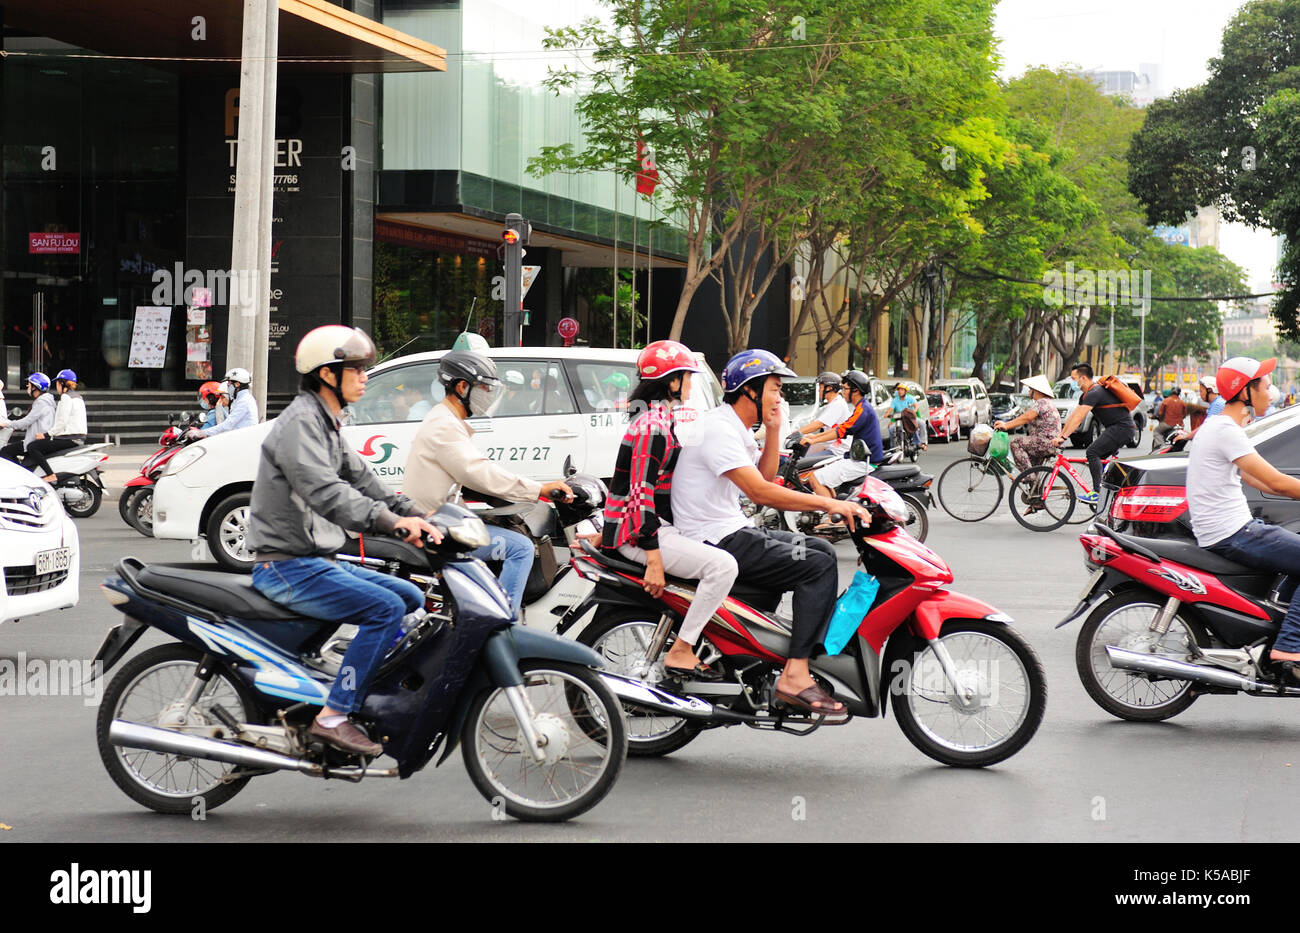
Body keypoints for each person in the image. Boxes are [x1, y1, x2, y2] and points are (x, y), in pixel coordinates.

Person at [246, 326, 438, 757]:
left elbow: (364, 479)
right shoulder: (299, 424)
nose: (365, 376)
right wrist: (391, 523)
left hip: (316, 559)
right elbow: (327, 493)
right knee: (384, 608)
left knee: (409, 595)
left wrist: (416, 512)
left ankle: (363, 679)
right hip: (287, 565)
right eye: (356, 368)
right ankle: (333, 716)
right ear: (327, 375)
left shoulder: (326, 422)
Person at [670, 349, 871, 715]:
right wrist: (830, 504)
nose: (780, 397)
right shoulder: (718, 428)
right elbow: (760, 492)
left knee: (820, 551)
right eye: (775, 389)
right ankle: (795, 674)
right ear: (750, 390)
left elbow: (763, 474)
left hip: (731, 529)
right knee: (817, 564)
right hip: (716, 539)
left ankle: (760, 653)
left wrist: (776, 429)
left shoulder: (734, 426)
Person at [601, 340, 738, 679]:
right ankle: (682, 649)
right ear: (672, 382)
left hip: (647, 528)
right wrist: (654, 559)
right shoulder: (652, 426)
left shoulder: (659, 420)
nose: (691, 385)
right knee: (723, 567)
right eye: (688, 378)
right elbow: (640, 494)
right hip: (637, 535)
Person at [403, 350, 573, 619]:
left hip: (442, 519)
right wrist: (538, 489)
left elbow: (475, 472)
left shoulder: (445, 420)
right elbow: (480, 473)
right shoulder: (444, 426)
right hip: (438, 529)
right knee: (521, 547)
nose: (489, 394)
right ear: (462, 387)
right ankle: (500, 622)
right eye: (484, 387)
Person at [1184, 357, 1300, 681]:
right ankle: (1290, 646)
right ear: (1246, 391)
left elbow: (1258, 481)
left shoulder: (1221, 427)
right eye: (1265, 385)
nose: (1271, 391)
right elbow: (1275, 481)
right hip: (1234, 532)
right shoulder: (1224, 430)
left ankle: (1281, 628)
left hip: (1230, 529)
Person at [1053, 362, 1135, 505]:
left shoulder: (1095, 392)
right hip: (1116, 428)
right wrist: (1060, 435)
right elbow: (1073, 416)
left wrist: (1063, 437)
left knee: (1092, 452)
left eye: (1074, 378)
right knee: (1098, 458)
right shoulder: (1085, 395)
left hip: (1122, 428)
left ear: (1083, 378)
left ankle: (1097, 494)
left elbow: (1079, 419)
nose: (1072, 382)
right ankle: (1108, 489)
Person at [802, 370, 884, 500]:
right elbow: (841, 428)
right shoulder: (861, 407)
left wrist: (813, 440)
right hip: (857, 458)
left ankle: (832, 516)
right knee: (822, 478)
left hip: (863, 462)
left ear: (855, 391)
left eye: (845, 389)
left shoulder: (863, 410)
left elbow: (840, 432)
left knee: (815, 478)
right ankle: (836, 510)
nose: (843, 392)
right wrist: (814, 438)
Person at [24, 369, 88, 482]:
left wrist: (46, 434)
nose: (56, 386)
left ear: (62, 383)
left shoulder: (66, 397)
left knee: (32, 447)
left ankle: (50, 474)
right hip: (78, 436)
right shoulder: (78, 397)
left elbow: (62, 422)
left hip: (69, 437)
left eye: (57, 383)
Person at [994, 374, 1061, 471]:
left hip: (1044, 442)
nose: (1029, 392)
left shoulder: (1042, 402)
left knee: (1015, 443)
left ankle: (1029, 475)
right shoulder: (1047, 402)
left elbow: (1026, 417)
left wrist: (1006, 425)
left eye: (1030, 389)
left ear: (1036, 390)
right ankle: (1034, 483)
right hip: (1046, 442)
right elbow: (1024, 417)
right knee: (1034, 470)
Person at [0, 374, 56, 469]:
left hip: (34, 440)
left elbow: (27, 421)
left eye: (29, 384)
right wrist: (18, 426)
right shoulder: (47, 401)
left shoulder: (41, 402)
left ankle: (19, 474)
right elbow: (31, 422)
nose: (27, 387)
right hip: (38, 438)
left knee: (4, 451)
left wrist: (6, 424)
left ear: (35, 386)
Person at [792, 372, 851, 455]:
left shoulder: (838, 405)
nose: (819, 390)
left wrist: (795, 433)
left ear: (829, 388)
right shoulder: (833, 403)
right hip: (829, 445)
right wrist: (813, 436)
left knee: (803, 463)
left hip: (837, 450)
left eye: (820, 387)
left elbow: (818, 424)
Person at [191, 367, 258, 439]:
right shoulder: (242, 399)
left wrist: (202, 433)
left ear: (237, 384)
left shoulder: (244, 401)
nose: (228, 385)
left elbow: (227, 425)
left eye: (229, 383)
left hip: (242, 441)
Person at [1177, 376, 1221, 441]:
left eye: (1201, 391)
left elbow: (1206, 427)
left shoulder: (1217, 404)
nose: (1200, 394)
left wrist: (1186, 436)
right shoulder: (1216, 403)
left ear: (1210, 390)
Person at [887, 383, 926, 451]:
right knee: (891, 429)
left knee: (922, 423)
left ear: (905, 391)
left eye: (901, 390)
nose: (899, 392)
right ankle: (893, 447)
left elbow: (916, 407)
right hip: (900, 419)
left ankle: (922, 442)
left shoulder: (910, 398)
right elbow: (892, 411)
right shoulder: (895, 400)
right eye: (898, 390)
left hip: (911, 418)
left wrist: (913, 413)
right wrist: (890, 418)